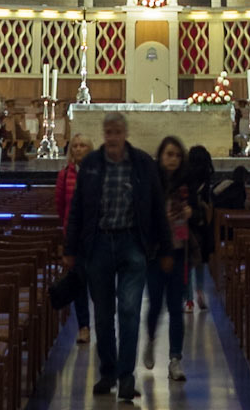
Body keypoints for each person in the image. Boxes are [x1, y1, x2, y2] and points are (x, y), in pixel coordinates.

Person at [62, 112, 173, 402]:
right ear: (104, 134)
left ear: (124, 134)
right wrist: (70, 249)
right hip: (98, 244)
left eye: (116, 132)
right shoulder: (90, 165)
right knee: (102, 314)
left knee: (129, 311)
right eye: (108, 132)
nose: (112, 138)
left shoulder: (143, 164)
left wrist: (164, 248)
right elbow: (77, 211)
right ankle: (108, 371)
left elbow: (157, 208)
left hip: (131, 244)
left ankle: (126, 377)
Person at [143, 136, 190, 382]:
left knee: (176, 308)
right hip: (157, 254)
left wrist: (194, 210)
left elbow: (202, 213)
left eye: (177, 155)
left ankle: (175, 359)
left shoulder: (186, 183)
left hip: (180, 252)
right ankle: (150, 339)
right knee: (155, 305)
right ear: (160, 156)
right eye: (169, 154)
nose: (173, 159)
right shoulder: (152, 184)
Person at [55, 136, 93, 343]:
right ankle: (84, 326)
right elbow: (60, 206)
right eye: (75, 145)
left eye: (83, 145)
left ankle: (105, 325)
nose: (78, 149)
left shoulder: (98, 172)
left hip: (96, 236)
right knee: (79, 283)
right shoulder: (64, 175)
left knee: (98, 284)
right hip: (75, 237)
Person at [183, 144, 216, 309]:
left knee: (187, 261)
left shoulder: (186, 176)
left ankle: (188, 299)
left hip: (188, 223)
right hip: (202, 224)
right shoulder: (206, 177)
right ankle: (200, 291)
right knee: (201, 260)